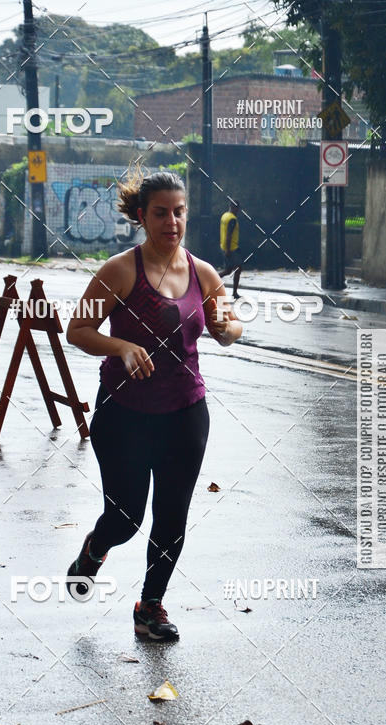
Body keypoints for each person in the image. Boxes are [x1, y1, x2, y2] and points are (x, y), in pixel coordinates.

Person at [65, 168, 242, 641]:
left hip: (185, 413)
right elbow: (77, 331)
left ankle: (151, 606)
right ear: (142, 216)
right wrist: (121, 347)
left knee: (171, 516)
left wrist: (226, 329)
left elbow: (232, 327)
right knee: (124, 518)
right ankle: (94, 549)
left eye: (179, 212)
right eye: (161, 213)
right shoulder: (121, 270)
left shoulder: (203, 273)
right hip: (123, 415)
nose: (172, 222)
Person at [219, 200, 242, 300]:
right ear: (235, 208)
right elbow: (229, 235)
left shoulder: (225, 216)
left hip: (223, 246)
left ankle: (211, 278)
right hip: (231, 248)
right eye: (237, 208)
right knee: (238, 268)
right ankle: (235, 293)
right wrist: (228, 250)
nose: (238, 211)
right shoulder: (232, 219)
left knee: (228, 271)